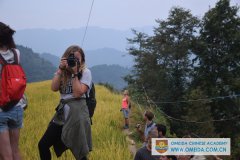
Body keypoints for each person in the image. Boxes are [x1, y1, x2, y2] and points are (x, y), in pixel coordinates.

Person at [38, 45, 92, 160]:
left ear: (82, 59)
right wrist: (60, 69)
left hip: (77, 116)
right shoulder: (62, 72)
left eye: (77, 58)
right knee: (43, 145)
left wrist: (74, 73)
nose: (74, 61)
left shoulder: (85, 72)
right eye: (71, 58)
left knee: (79, 152)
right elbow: (54, 87)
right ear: (65, 58)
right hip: (62, 114)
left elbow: (78, 93)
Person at [0, 22, 26, 160]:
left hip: (1, 110)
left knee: (6, 155)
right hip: (17, 107)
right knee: (15, 151)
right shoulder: (17, 53)